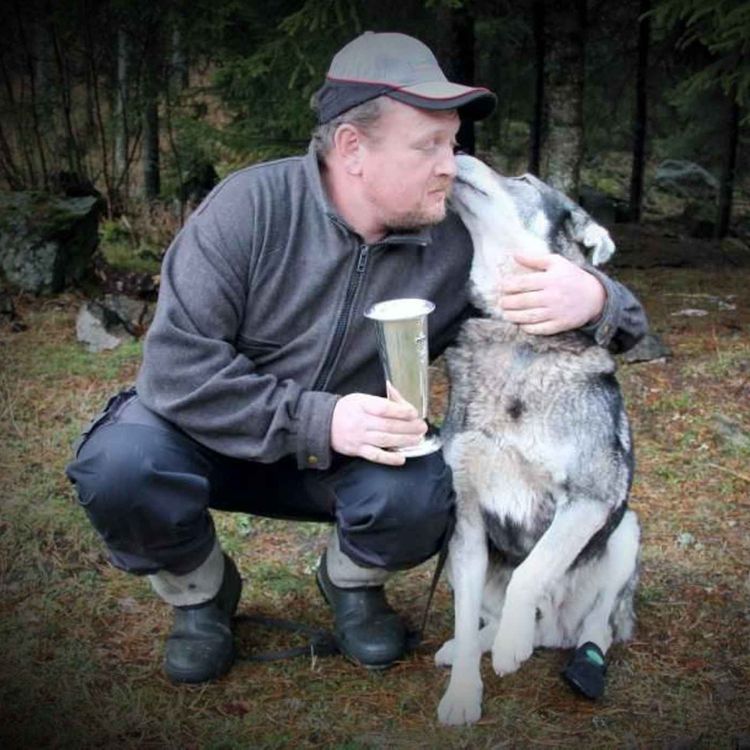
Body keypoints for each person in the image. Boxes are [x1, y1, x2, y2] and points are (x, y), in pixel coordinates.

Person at [66, 31, 647, 685]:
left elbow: (620, 333)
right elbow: (174, 369)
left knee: (425, 490)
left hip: (344, 463)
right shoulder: (248, 210)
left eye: (451, 144)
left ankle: (350, 583)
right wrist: (321, 420)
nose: (450, 165)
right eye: (428, 145)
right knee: (119, 465)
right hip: (209, 442)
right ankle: (201, 597)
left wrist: (597, 297)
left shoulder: (452, 245)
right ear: (352, 148)